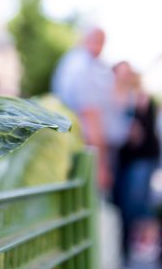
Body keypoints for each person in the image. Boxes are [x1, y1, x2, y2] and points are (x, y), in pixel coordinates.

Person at [51, 27, 128, 191]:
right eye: (98, 42)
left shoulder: (74, 62)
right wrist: (101, 166)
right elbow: (91, 115)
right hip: (87, 149)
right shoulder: (83, 67)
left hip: (79, 146)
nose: (100, 48)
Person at [113, 71, 160, 262]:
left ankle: (146, 247)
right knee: (132, 205)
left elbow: (137, 134)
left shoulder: (139, 99)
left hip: (142, 159)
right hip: (130, 161)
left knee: (137, 206)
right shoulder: (120, 97)